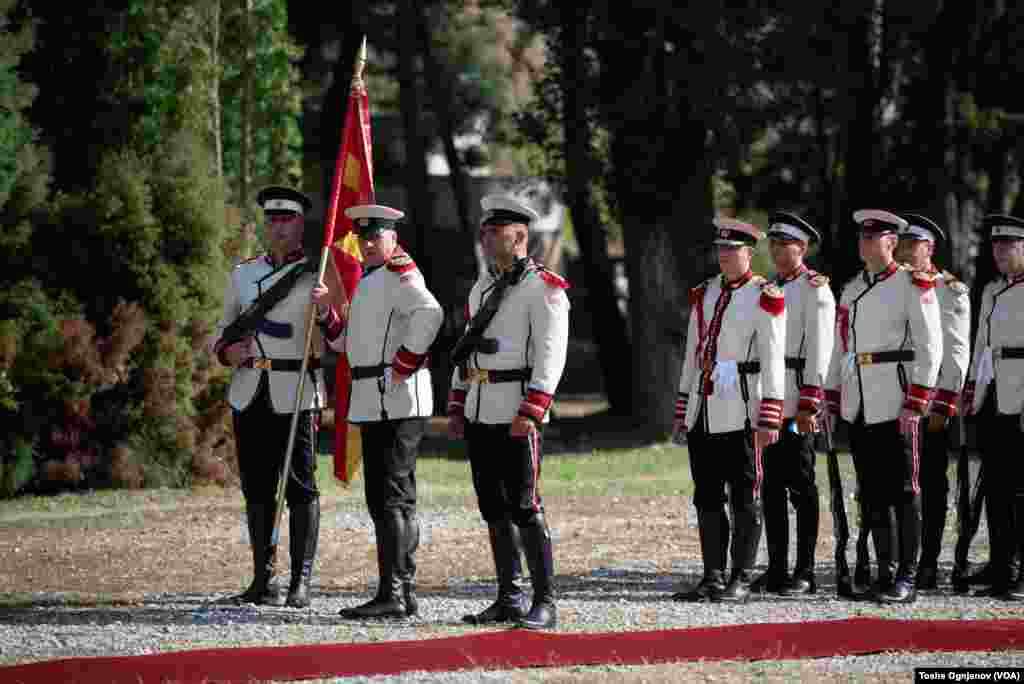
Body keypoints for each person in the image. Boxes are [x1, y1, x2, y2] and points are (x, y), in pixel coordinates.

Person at [447, 195, 570, 630]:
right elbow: (468, 347)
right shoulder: (482, 287)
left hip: (517, 409)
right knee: (493, 507)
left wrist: (533, 409)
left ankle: (545, 602)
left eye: (493, 231)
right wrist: (458, 402)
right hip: (481, 409)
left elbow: (551, 357)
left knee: (525, 505)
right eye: (484, 230)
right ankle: (509, 597)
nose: (484, 237)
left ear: (519, 236)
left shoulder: (545, 287)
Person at [319, 204, 443, 619]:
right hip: (375, 398)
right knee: (389, 499)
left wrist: (405, 363)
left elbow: (431, 313)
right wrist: (325, 315)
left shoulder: (400, 274)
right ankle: (400, 590)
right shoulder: (373, 279)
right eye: (364, 238)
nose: (369, 244)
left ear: (393, 239)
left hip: (396, 399)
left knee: (391, 498)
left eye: (377, 237)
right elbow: (345, 344)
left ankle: (394, 592)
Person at [211, 186, 329, 608]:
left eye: (287, 220)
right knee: (257, 489)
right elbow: (222, 328)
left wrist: (328, 310)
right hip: (249, 391)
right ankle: (264, 579)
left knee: (300, 488)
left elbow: (338, 335)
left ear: (300, 225)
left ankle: (301, 581)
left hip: (295, 391)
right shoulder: (243, 274)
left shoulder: (319, 273)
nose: (278, 227)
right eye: (272, 220)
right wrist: (227, 351)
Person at [825, 209, 943, 604]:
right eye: (861, 237)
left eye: (872, 238)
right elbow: (841, 346)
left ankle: (908, 577)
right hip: (861, 400)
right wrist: (831, 394)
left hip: (897, 400)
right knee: (872, 492)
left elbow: (931, 346)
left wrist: (918, 398)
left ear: (891, 243)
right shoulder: (853, 288)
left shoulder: (913, 284)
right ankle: (884, 572)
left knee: (905, 490)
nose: (864, 244)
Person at [672, 217, 786, 604]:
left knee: (744, 493)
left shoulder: (762, 294)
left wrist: (770, 413)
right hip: (704, 407)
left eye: (732, 250)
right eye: (720, 249)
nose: (724, 256)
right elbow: (692, 353)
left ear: (748, 253)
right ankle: (713, 575)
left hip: (741, 406)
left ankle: (741, 575)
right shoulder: (705, 292)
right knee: (706, 494)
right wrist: (683, 406)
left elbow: (773, 357)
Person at [749, 212, 835, 597]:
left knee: (801, 484)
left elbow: (820, 348)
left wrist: (810, 403)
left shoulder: (815, 289)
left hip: (799, 401)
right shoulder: (769, 287)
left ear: (802, 248)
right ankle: (778, 567)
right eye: (774, 244)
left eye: (785, 245)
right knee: (771, 487)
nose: (778, 251)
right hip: (770, 400)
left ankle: (805, 570)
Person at [894, 214, 970, 591]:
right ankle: (899, 558)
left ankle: (928, 561)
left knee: (931, 485)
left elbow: (956, 354)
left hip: (931, 405)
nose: (907, 252)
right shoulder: (894, 285)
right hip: (895, 400)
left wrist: (942, 406)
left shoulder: (949, 290)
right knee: (898, 484)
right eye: (902, 245)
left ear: (930, 248)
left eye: (914, 245)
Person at [962, 214, 1024, 601]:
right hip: (994, 398)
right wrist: (971, 393)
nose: (1000, 252)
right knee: (997, 489)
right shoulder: (990, 290)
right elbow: (982, 347)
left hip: (1020, 398)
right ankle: (1002, 562)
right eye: (996, 247)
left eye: (1009, 246)